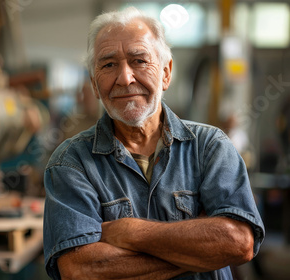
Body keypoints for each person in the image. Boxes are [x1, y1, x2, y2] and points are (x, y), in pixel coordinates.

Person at [43, 7, 265, 280]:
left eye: (139, 60)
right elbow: (81, 269)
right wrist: (202, 251)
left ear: (166, 73)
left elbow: (239, 243)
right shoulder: (70, 163)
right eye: (109, 64)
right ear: (94, 84)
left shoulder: (210, 147)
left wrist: (131, 232)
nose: (125, 78)